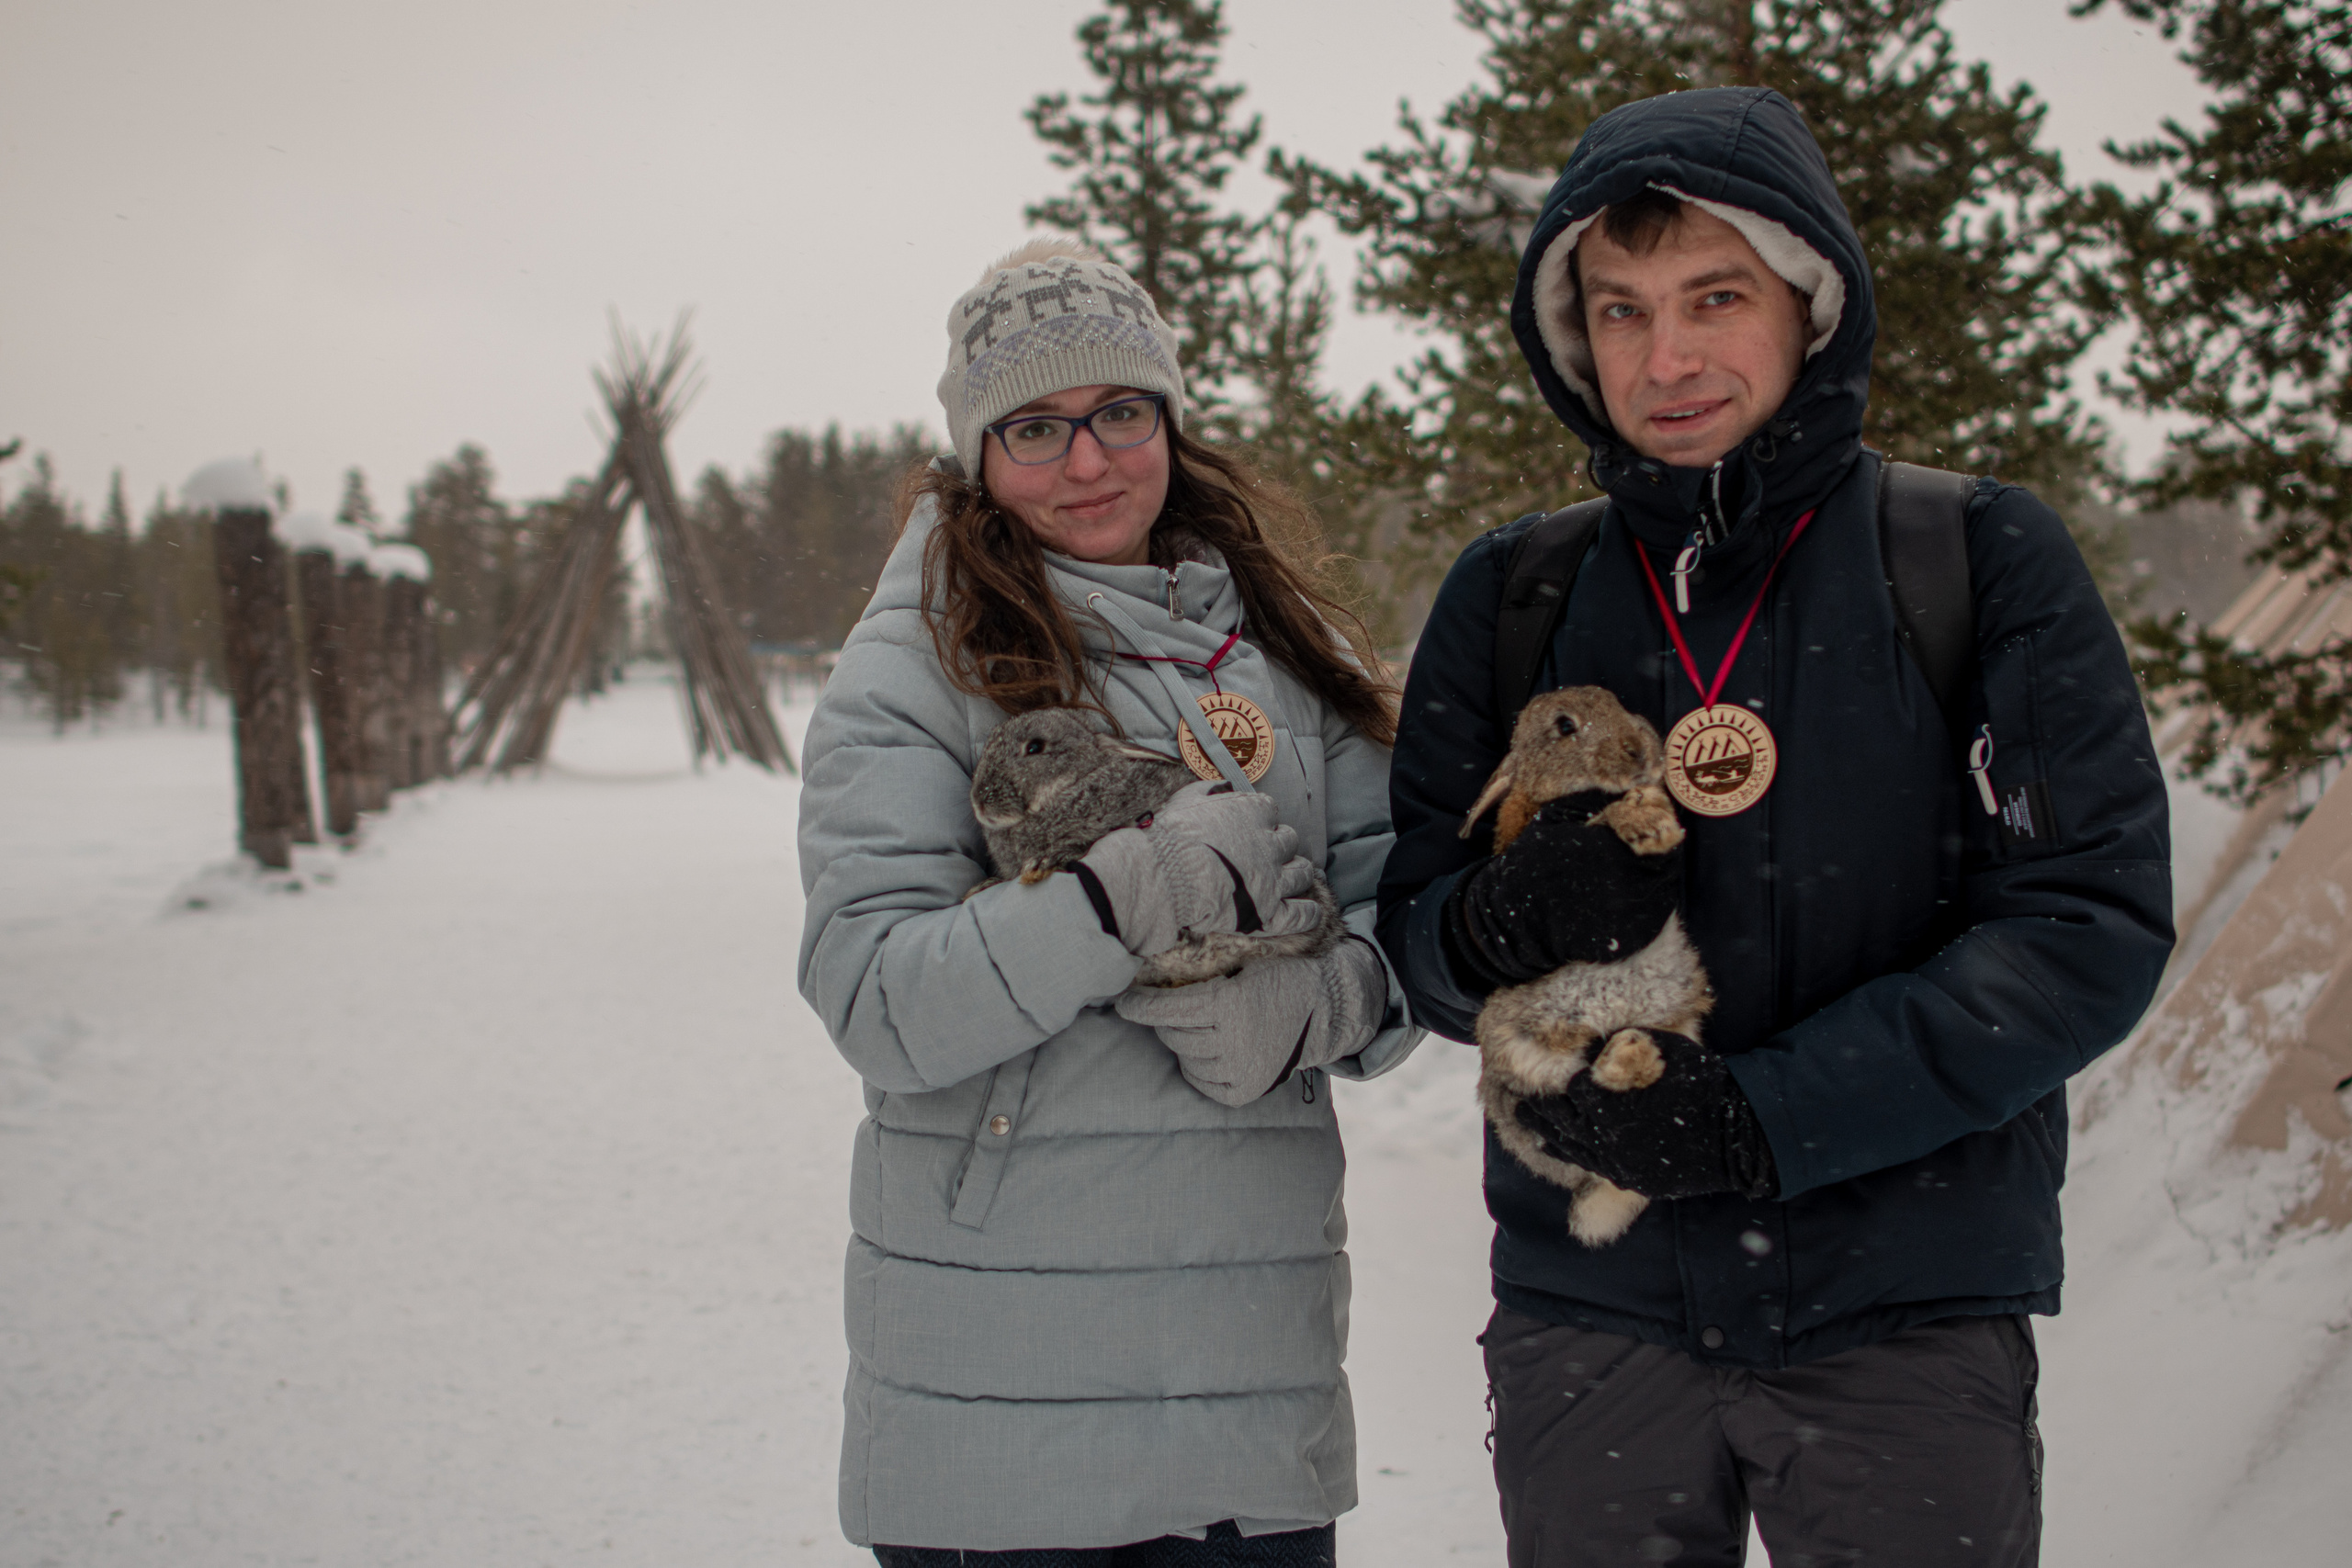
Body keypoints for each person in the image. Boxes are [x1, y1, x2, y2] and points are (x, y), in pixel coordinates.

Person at [1377, 87, 2172, 1565]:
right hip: (1595, 1320)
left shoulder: (1972, 554)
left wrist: (1767, 1119)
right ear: (1573, 339)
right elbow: (1408, 937)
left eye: (1715, 298)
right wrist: (1488, 927)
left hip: (1903, 1318)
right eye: (1619, 312)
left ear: (1810, 302)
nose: (1666, 358)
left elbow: (2087, 928)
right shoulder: (1515, 595)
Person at [797, 238, 1421, 1565]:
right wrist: (1124, 893)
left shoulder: (1283, 651)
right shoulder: (914, 665)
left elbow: (1405, 922)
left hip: (1249, 1399)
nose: (1087, 461)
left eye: (1119, 413)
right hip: (999, 1416)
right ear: (979, 453)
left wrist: (1322, 1003)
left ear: (1169, 422)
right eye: (1036, 428)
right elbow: (877, 998)